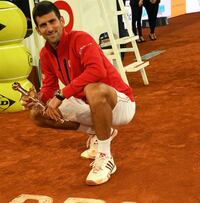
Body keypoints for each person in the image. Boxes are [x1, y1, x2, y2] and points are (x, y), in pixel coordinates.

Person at [21, 1, 136, 185]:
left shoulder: (81, 39)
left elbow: (97, 72)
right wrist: (37, 99)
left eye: (52, 21)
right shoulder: (45, 54)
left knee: (93, 88)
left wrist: (61, 95)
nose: (49, 28)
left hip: (121, 105)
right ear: (38, 30)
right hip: (89, 105)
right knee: (37, 114)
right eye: (43, 25)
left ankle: (106, 158)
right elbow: (49, 87)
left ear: (62, 21)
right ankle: (100, 133)